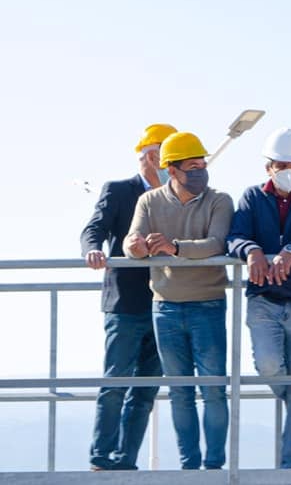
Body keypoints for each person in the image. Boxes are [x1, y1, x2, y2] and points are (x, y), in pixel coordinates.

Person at [123, 131, 234, 470]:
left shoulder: (220, 200)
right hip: (166, 308)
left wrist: (175, 248)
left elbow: (217, 244)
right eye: (193, 166)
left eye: (203, 164)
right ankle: (190, 468)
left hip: (209, 304)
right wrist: (136, 248)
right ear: (172, 170)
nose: (201, 171)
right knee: (180, 392)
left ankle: (214, 468)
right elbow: (131, 240)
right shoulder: (149, 201)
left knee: (214, 389)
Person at [225, 128, 291, 469]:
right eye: (282, 163)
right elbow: (235, 236)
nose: (289, 169)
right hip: (264, 299)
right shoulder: (251, 197)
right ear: (268, 166)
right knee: (269, 366)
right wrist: (252, 251)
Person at [81, 123, 177, 471]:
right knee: (116, 383)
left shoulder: (177, 197)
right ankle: (101, 458)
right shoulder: (120, 190)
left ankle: (125, 462)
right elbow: (95, 228)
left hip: (166, 303)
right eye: (162, 156)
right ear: (150, 156)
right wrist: (92, 250)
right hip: (124, 304)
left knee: (145, 391)